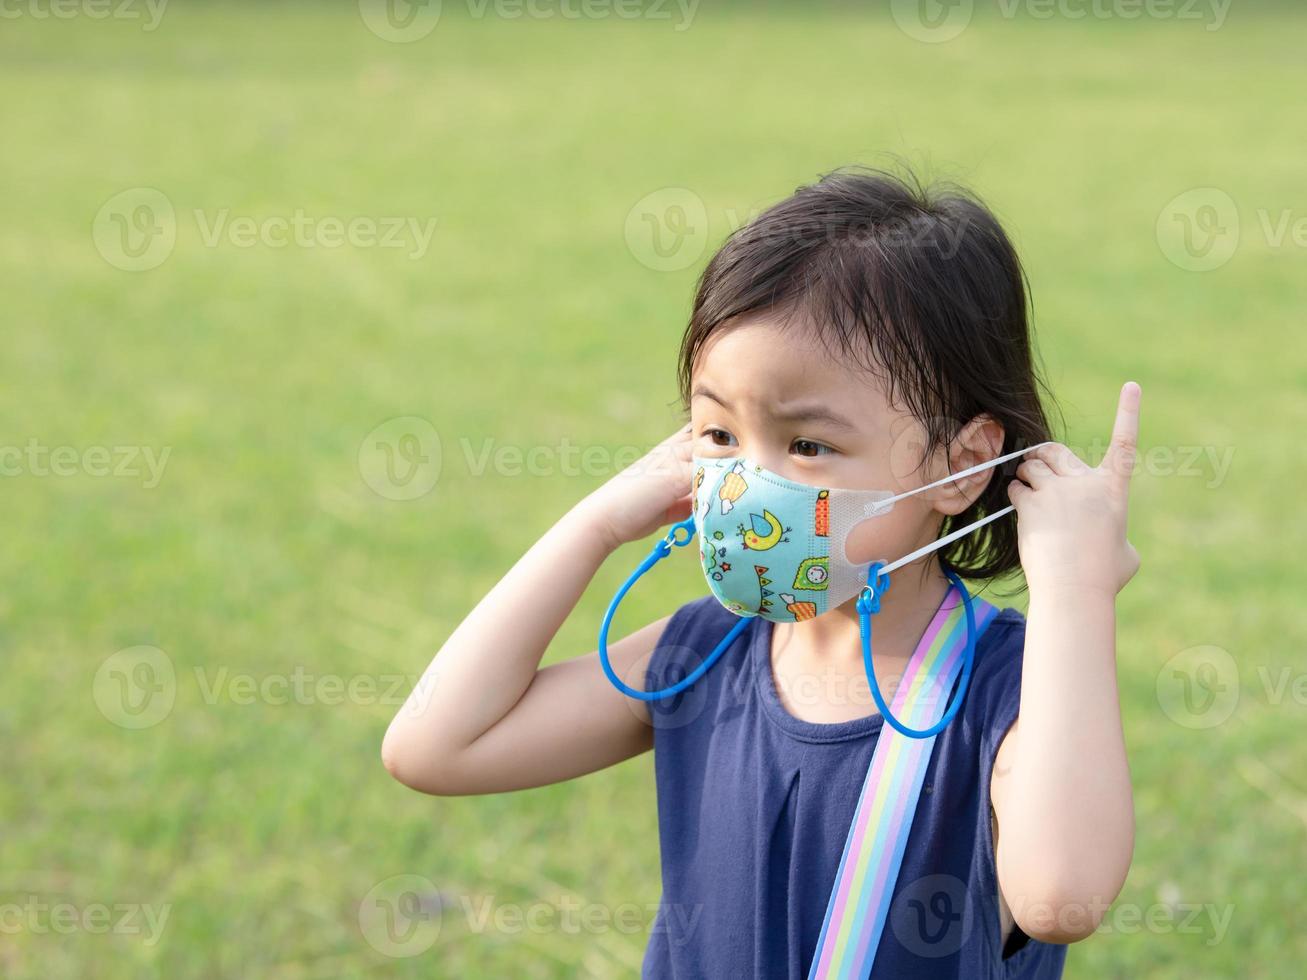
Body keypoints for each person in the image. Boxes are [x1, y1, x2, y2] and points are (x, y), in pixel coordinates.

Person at [381, 167, 1140, 978]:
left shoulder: (1004, 690)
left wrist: (1073, 590)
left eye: (806, 445)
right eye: (716, 435)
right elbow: (435, 747)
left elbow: (1062, 896)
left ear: (960, 466)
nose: (747, 483)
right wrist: (596, 524)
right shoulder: (702, 654)